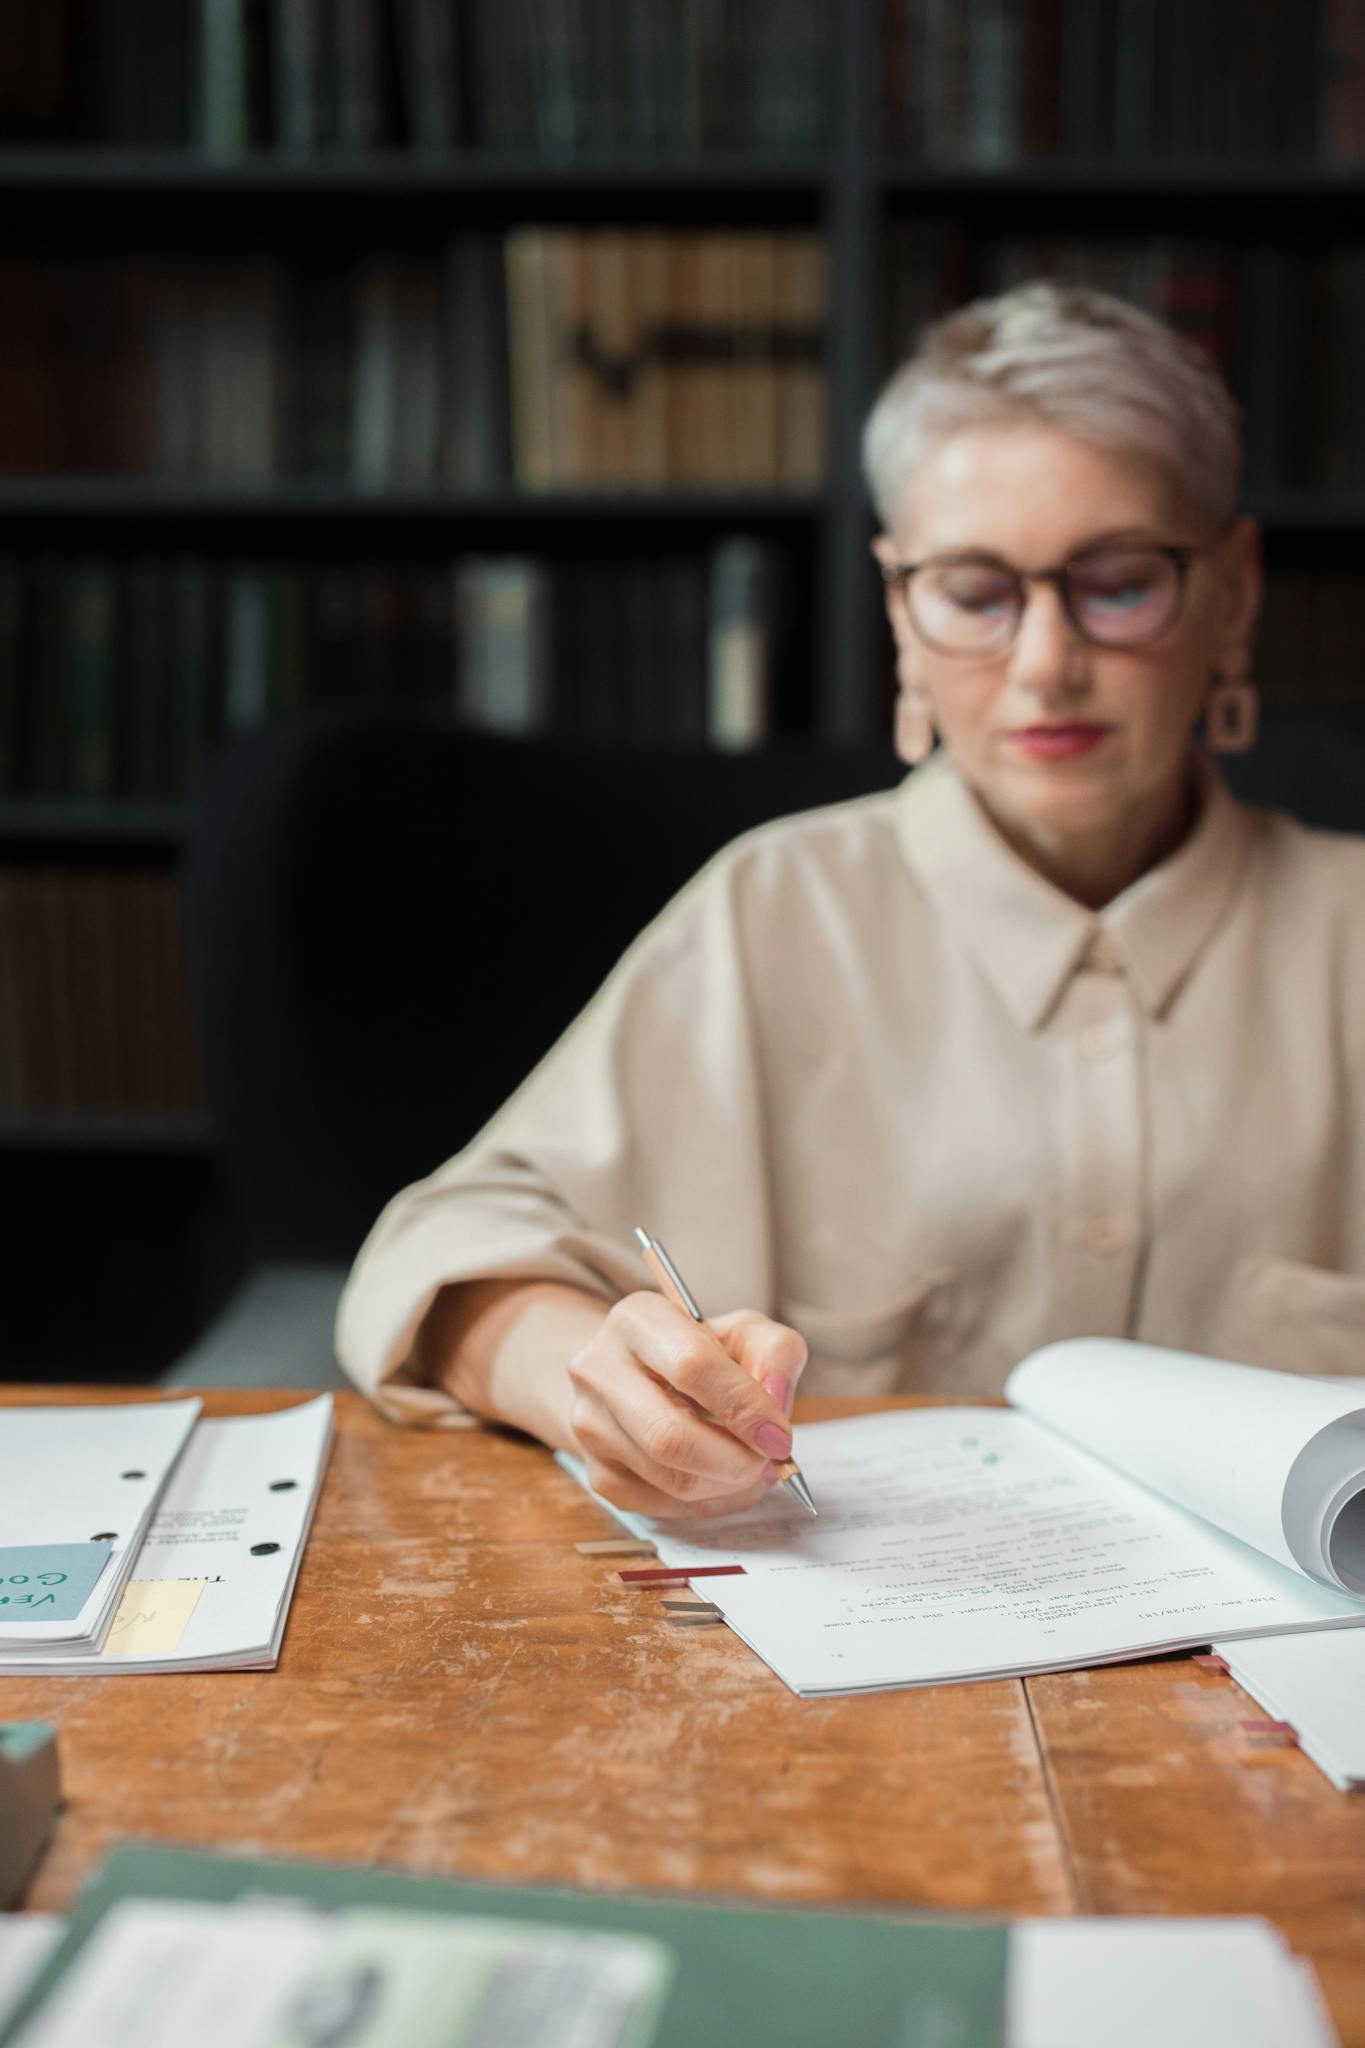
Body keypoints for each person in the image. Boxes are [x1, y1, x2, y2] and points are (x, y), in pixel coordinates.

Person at [336, 281, 1365, 1520]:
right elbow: (435, 1254)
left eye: (1121, 581)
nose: (1046, 663)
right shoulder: (774, 909)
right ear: (898, 609)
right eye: (976, 593)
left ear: (1234, 592)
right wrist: (590, 1383)